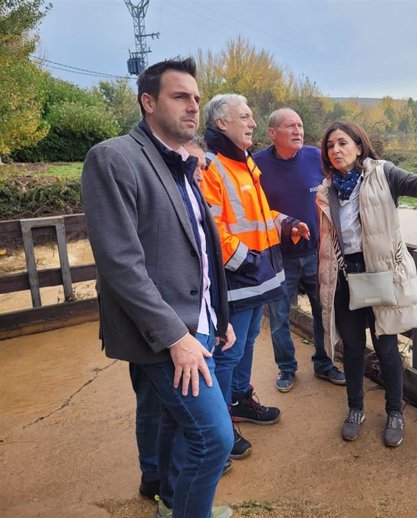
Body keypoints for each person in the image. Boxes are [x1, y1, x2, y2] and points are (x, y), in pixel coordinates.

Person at [81, 57, 235, 518]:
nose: (193, 107)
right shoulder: (114, 157)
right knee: (214, 439)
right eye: (180, 96)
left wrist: (217, 316)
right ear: (148, 102)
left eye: (197, 98)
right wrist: (176, 338)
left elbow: (199, 248)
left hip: (199, 323)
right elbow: (120, 263)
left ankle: (171, 502)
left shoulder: (182, 164)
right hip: (165, 336)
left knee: (173, 424)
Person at [316, 121, 417, 448]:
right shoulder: (326, 190)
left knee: (386, 348)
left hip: (379, 275)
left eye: (342, 143)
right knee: (350, 348)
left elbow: (415, 181)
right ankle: (355, 409)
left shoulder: (381, 173)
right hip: (345, 279)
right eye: (330, 146)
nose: (336, 150)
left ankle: (394, 412)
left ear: (359, 146)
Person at [200, 94, 310, 458]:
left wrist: (287, 224)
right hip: (237, 278)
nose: (251, 123)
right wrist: (247, 261)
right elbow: (211, 228)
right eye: (244, 117)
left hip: (256, 275)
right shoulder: (212, 166)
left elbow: (260, 215)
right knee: (228, 353)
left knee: (246, 345)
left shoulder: (243, 162)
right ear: (221, 123)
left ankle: (240, 399)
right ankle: (221, 426)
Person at [254, 108, 345, 393]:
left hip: (317, 254)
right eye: (290, 126)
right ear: (272, 133)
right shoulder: (255, 165)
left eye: (300, 125)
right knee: (280, 317)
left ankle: (324, 363)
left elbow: (342, 184)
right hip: (278, 257)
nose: (298, 131)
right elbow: (253, 208)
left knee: (324, 311)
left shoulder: (315, 157)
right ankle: (287, 369)